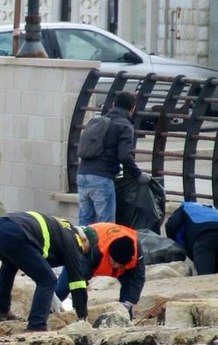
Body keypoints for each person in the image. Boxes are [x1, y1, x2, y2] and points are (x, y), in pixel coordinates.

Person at [0, 211, 91, 332]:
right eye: (85, 252)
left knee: (9, 265)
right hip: (14, 233)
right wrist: (83, 317)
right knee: (48, 281)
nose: (81, 255)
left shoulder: (63, 228)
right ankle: (37, 325)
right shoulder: (74, 241)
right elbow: (77, 282)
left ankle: (2, 311)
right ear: (83, 239)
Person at [77, 91, 150, 225]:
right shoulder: (125, 125)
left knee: (85, 223)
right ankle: (104, 247)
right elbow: (124, 155)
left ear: (113, 104)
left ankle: (78, 246)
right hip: (102, 178)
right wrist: (138, 174)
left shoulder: (98, 121)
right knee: (106, 225)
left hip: (82, 175)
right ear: (132, 109)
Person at [55, 222, 145, 318]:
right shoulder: (92, 249)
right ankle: (46, 310)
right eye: (114, 262)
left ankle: (125, 318)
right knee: (63, 288)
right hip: (86, 249)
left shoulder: (136, 253)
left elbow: (138, 279)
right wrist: (79, 311)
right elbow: (78, 281)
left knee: (128, 293)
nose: (116, 266)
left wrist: (129, 303)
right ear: (109, 253)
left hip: (120, 257)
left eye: (120, 265)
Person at [165, 201, 218, 275]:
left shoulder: (184, 207)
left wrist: (178, 247)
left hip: (204, 238)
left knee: (206, 277)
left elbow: (171, 225)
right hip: (207, 234)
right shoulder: (212, 210)